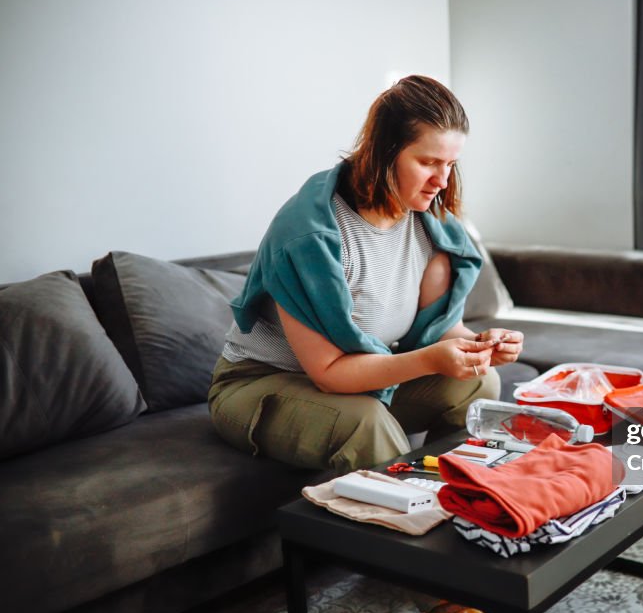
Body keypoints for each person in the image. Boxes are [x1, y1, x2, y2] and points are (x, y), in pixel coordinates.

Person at [208, 74, 523, 473]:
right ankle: (412, 505)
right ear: (383, 152)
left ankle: (454, 491)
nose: (442, 182)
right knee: (366, 422)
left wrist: (481, 345)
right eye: (428, 162)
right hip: (260, 382)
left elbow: (442, 331)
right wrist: (430, 360)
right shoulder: (310, 237)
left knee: (478, 380)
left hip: (356, 379)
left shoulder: (432, 227)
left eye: (450, 165)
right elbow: (329, 374)